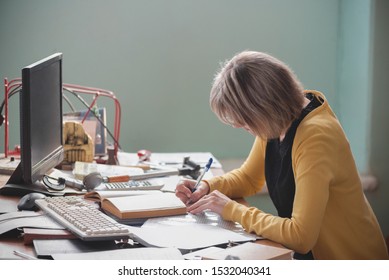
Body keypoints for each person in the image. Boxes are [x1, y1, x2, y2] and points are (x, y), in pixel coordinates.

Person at [175, 51, 389, 260]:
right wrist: (208, 187)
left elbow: (300, 236)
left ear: (263, 107)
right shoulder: (277, 120)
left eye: (243, 119)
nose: (239, 125)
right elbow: (249, 179)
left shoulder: (316, 137)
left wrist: (232, 210)